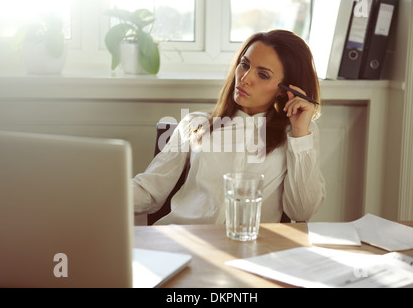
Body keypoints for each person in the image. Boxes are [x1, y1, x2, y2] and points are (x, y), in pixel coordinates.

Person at [133, 30, 325, 224]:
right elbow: (150, 190)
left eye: (263, 75)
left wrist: (300, 134)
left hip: (251, 249)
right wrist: (105, 196)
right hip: (185, 240)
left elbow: (301, 212)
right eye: (244, 65)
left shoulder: (298, 134)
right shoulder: (195, 123)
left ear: (285, 91)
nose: (245, 78)